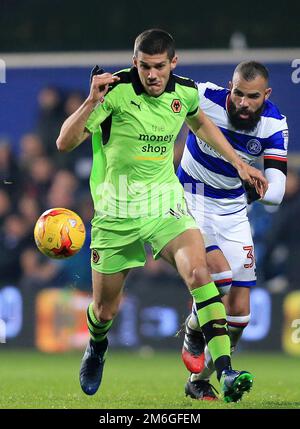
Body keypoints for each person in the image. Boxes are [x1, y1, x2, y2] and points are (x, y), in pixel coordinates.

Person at [56, 29, 267, 402]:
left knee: (201, 273)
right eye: (144, 67)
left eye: (159, 67)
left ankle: (225, 371)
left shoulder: (183, 91)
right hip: (116, 210)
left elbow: (199, 120)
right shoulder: (113, 91)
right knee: (105, 310)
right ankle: (97, 347)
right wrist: (90, 102)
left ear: (174, 63)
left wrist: (237, 163)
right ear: (134, 63)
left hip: (164, 204)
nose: (152, 75)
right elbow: (64, 142)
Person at [177, 61, 288, 400]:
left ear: (265, 94)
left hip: (234, 212)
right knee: (219, 278)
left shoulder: (274, 123)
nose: (242, 102)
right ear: (230, 86)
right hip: (191, 201)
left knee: (239, 317)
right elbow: (163, 84)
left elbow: (277, 191)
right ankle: (193, 331)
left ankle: (201, 380)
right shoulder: (205, 96)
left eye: (252, 97)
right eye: (237, 93)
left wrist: (263, 188)